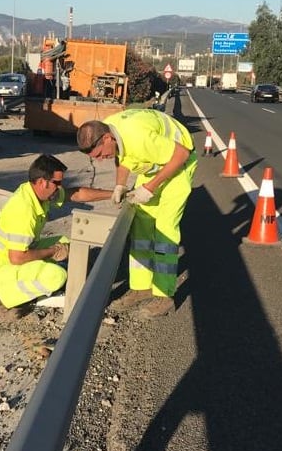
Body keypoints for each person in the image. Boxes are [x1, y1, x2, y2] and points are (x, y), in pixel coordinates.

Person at [76, 109, 197, 318]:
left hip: (178, 166)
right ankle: (141, 287)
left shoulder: (138, 137)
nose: (102, 159)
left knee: (164, 231)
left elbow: (181, 155)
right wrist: (119, 186)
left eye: (99, 154)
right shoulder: (109, 126)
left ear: (106, 138)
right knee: (140, 224)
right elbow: (124, 159)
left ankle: (164, 295)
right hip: (154, 164)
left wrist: (149, 188)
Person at [0, 154, 111, 321]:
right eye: (57, 183)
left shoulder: (37, 193)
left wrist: (114, 194)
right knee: (56, 276)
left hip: (11, 256)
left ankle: (26, 286)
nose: (60, 187)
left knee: (64, 242)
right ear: (42, 182)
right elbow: (17, 257)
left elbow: (77, 194)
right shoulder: (23, 210)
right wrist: (52, 251)